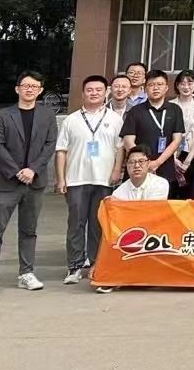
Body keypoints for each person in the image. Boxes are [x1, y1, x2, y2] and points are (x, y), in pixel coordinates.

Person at [54, 75, 122, 285]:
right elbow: (61, 150)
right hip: (76, 179)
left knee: (97, 224)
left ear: (106, 92)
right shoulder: (71, 120)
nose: (94, 93)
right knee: (76, 223)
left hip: (103, 179)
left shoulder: (115, 119)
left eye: (98, 90)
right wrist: (61, 178)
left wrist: (116, 170)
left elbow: (120, 149)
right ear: (83, 93)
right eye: (89, 90)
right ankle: (74, 266)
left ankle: (96, 263)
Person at [117, 69, 185, 191]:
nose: (155, 88)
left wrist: (157, 163)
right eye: (151, 85)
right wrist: (144, 163)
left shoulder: (175, 110)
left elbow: (177, 140)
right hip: (138, 170)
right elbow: (128, 141)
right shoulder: (135, 111)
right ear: (145, 88)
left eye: (160, 84)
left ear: (166, 88)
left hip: (165, 169)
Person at [172, 69, 194, 195]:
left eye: (190, 83)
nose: (186, 87)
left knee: (192, 193)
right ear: (177, 85)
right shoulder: (170, 105)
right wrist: (173, 158)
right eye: (182, 83)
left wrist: (188, 160)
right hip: (173, 154)